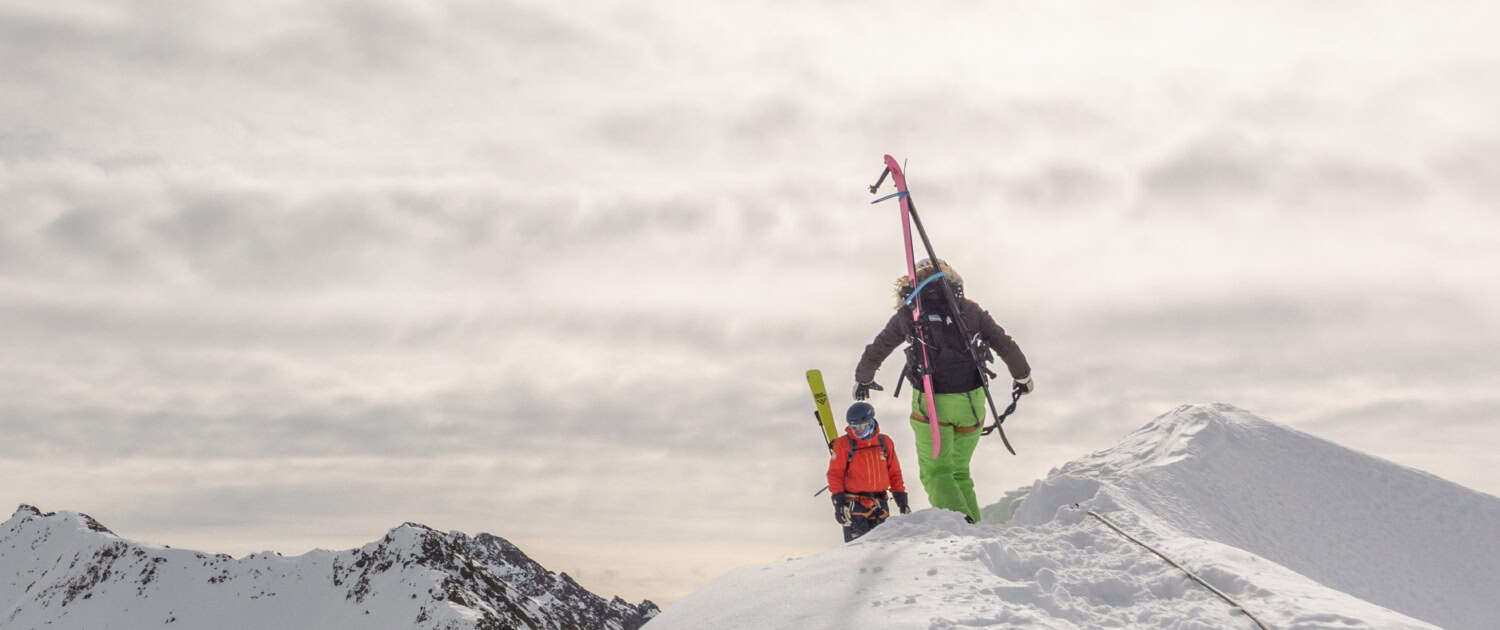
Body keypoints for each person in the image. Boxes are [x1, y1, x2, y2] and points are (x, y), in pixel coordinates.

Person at [853, 259, 1031, 524]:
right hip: (972, 402)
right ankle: (976, 530)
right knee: (959, 471)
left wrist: (863, 378)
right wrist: (1022, 375)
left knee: (937, 473)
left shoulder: (909, 314)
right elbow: (1004, 343)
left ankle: (961, 530)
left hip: (932, 404)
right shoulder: (970, 310)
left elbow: (878, 347)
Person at [827, 402, 909, 542]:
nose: (856, 431)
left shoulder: (885, 442)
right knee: (858, 551)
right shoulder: (843, 444)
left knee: (883, 548)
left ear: (870, 422)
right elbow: (834, 474)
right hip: (854, 507)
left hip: (880, 505)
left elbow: (894, 472)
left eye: (860, 427)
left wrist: (901, 501)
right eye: (853, 427)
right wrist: (838, 503)